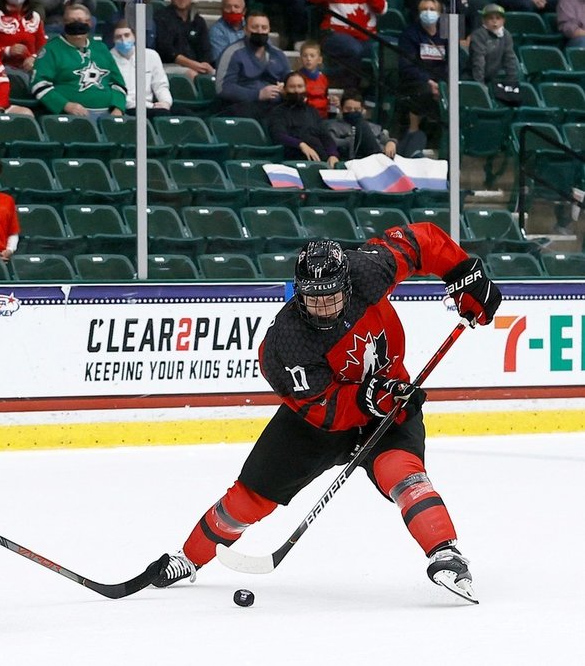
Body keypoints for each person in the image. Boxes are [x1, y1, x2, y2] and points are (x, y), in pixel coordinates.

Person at [150, 228, 503, 604]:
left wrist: (463, 272)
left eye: (331, 297)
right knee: (250, 497)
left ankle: (446, 554)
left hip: (391, 399)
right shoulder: (286, 344)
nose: (323, 308)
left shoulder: (368, 270)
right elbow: (325, 409)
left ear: (346, 285)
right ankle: (188, 557)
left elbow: (421, 242)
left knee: (403, 474)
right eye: (312, 299)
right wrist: (370, 398)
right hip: (316, 423)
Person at [30, 3, 126, 118]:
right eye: (71, 21)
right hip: (70, 117)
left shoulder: (101, 48)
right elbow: (39, 84)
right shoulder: (51, 50)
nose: (76, 25)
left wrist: (118, 108)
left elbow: (118, 83)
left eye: (80, 20)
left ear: (89, 23)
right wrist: (66, 105)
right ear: (64, 24)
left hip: (108, 116)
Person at [308, 0, 387, 90]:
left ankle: (376, 95)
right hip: (334, 34)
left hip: (366, 37)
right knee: (353, 49)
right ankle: (350, 93)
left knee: (388, 49)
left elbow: (381, 9)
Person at [214, 11, 290, 119]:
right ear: (245, 30)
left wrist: (286, 89)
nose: (260, 31)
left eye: (264, 28)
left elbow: (290, 80)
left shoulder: (278, 54)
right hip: (242, 107)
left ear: (269, 30)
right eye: (255, 27)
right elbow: (223, 88)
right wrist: (258, 94)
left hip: (275, 106)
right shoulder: (232, 52)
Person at [397, 0, 447, 151]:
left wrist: (442, 84)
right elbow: (407, 65)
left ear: (439, 13)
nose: (428, 12)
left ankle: (447, 139)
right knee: (423, 91)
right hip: (416, 80)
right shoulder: (410, 34)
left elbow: (453, 61)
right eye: (424, 9)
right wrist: (428, 81)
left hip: (441, 80)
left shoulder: (445, 33)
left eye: (432, 9)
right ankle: (414, 132)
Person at [267, 71, 340, 166]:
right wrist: (301, 145)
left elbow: (325, 136)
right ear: (285, 90)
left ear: (305, 89)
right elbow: (278, 135)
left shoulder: (312, 111)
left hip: (321, 159)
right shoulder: (278, 112)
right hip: (294, 160)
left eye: (300, 86)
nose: (297, 91)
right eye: (292, 87)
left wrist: (333, 154)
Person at [110, 20, 176, 117]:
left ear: (134, 36)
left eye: (127, 35)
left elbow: (160, 85)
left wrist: (166, 102)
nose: (123, 40)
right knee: (162, 115)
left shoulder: (151, 55)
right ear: (113, 40)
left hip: (152, 107)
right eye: (118, 37)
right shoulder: (108, 59)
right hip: (127, 107)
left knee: (186, 114)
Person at [153, 0, 213, 80]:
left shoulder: (198, 20)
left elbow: (205, 48)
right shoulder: (162, 17)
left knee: (215, 76)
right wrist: (192, 65)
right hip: (169, 65)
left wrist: (205, 63)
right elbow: (166, 50)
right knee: (192, 74)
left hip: (197, 65)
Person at [0, 0, 46, 83]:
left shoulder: (35, 17)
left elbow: (42, 48)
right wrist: (7, 51)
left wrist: (34, 58)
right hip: (3, 70)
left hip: (30, 69)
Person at [325, 88, 397, 159]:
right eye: (348, 109)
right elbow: (331, 142)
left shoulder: (372, 127)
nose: (353, 112)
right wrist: (351, 140)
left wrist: (391, 142)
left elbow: (385, 139)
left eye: (356, 109)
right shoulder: (333, 126)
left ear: (362, 110)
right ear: (341, 109)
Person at [470, 3, 520, 85]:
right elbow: (478, 61)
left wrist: (512, 82)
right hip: (474, 78)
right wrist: (480, 85)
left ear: (503, 21)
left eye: (498, 18)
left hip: (494, 78)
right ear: (483, 20)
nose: (495, 21)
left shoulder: (506, 35)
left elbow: (509, 59)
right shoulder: (478, 35)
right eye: (490, 18)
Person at [208, 0, 245, 64]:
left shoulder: (251, 27)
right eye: (228, 7)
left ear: (244, 11)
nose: (232, 10)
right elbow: (221, 60)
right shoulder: (216, 30)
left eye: (236, 7)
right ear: (221, 10)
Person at [298, 40, 330, 119]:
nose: (308, 59)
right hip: (305, 117)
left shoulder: (323, 79)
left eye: (312, 56)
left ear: (319, 60)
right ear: (300, 59)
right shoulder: (297, 78)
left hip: (322, 117)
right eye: (305, 56)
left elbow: (325, 97)